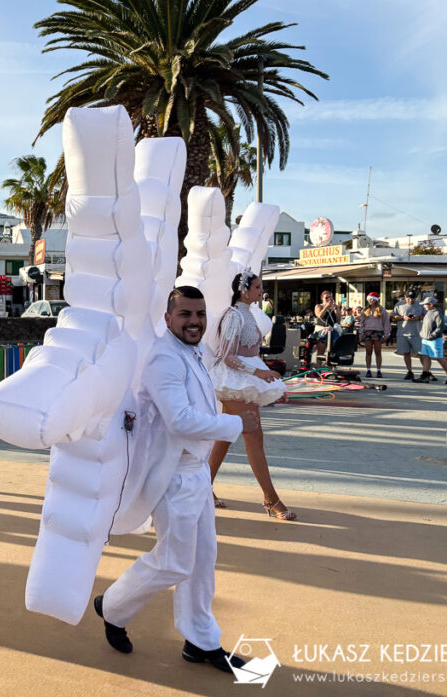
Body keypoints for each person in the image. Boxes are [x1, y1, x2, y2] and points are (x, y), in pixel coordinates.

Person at [93, 285, 247, 673]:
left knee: (202, 561)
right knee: (177, 563)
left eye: (199, 315)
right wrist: (232, 423)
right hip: (172, 478)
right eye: (185, 315)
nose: (194, 321)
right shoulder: (165, 358)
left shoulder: (193, 352)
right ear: (168, 318)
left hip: (195, 475)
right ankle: (112, 606)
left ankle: (200, 641)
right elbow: (180, 420)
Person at [206, 269, 295, 520]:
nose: (260, 291)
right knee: (254, 437)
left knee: (225, 436)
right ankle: (270, 498)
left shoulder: (246, 313)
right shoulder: (233, 316)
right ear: (244, 290)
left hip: (244, 379)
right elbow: (227, 355)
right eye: (257, 287)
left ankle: (204, 486)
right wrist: (257, 373)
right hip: (234, 381)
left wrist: (264, 376)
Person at [419, 296, 447, 384]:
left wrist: (433, 335)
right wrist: (422, 334)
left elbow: (440, 327)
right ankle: (425, 375)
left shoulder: (437, 313)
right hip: (425, 339)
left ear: (431, 304)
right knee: (425, 356)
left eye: (425, 304)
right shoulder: (428, 312)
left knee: (439, 358)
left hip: (434, 340)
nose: (424, 306)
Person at [392, 289, 425, 381]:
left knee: (421, 354)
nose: (411, 300)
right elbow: (393, 317)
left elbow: (426, 316)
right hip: (403, 333)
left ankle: (426, 372)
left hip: (417, 333)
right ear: (405, 297)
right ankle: (409, 371)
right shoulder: (399, 305)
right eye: (409, 298)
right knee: (406, 353)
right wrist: (403, 317)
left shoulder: (420, 305)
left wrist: (418, 317)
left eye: (413, 298)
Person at [359, 293, 390, 378]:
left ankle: (379, 371)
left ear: (376, 299)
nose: (370, 300)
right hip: (368, 332)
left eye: (372, 299)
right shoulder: (365, 310)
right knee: (368, 352)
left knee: (378, 352)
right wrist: (361, 332)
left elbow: (386, 322)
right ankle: (368, 370)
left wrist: (387, 333)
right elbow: (362, 323)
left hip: (378, 332)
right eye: (369, 299)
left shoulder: (382, 310)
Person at [309, 290, 341, 365]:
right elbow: (319, 315)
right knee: (321, 351)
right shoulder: (319, 306)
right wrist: (326, 307)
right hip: (322, 331)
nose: (328, 299)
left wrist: (336, 308)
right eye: (326, 297)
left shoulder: (333, 308)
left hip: (331, 331)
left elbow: (338, 319)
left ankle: (331, 369)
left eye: (330, 297)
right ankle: (318, 368)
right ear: (322, 299)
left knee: (333, 351)